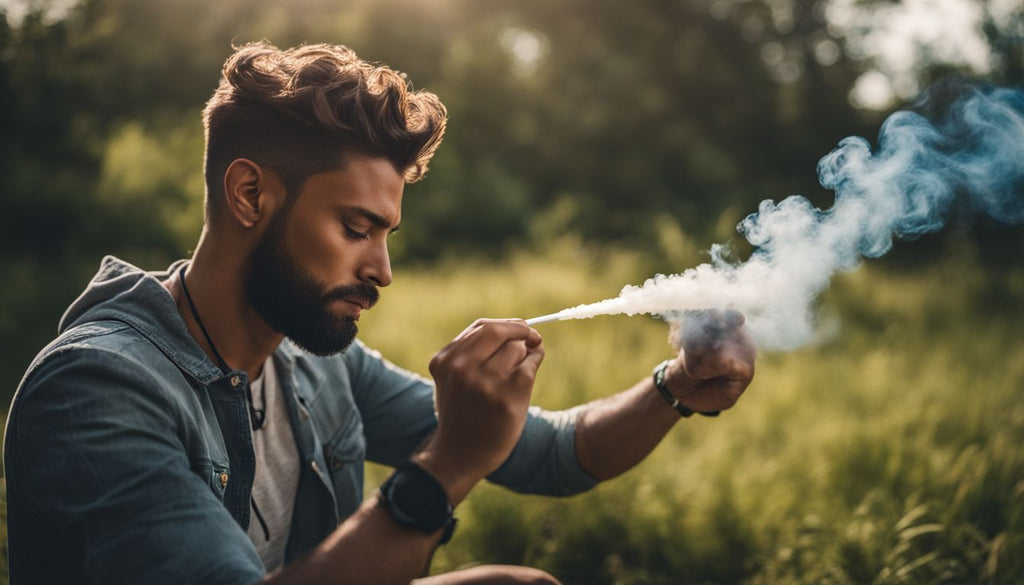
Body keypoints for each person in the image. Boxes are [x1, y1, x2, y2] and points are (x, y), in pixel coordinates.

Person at [3, 41, 756, 585]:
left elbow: (552, 454)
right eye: (356, 230)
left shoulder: (308, 362)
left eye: (387, 236)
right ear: (249, 196)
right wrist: (449, 464)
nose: (382, 271)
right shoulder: (95, 390)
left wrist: (677, 385)